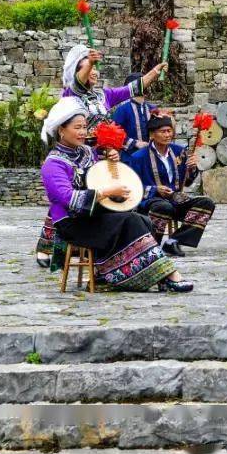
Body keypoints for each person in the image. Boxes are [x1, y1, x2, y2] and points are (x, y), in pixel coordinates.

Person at [39, 97, 192, 292]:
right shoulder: (53, 164)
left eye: (85, 127)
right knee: (130, 221)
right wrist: (108, 192)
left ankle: (107, 276)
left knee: (143, 220)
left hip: (95, 215)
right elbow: (69, 199)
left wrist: (110, 159)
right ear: (61, 130)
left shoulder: (87, 152)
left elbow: (96, 176)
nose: (83, 132)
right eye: (77, 127)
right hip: (73, 223)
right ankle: (168, 274)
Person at [36, 45, 165, 268]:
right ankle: (53, 247)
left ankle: (114, 247)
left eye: (95, 68)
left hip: (95, 152)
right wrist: (91, 62)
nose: (93, 72)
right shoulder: (72, 94)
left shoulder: (104, 95)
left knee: (92, 197)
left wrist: (154, 71)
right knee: (68, 197)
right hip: (73, 150)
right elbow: (79, 80)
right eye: (87, 67)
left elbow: (133, 88)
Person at [129, 115, 215, 257]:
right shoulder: (138, 157)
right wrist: (156, 189)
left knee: (206, 203)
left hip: (175, 199)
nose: (167, 135)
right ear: (152, 134)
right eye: (163, 131)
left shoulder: (179, 151)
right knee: (164, 206)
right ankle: (151, 246)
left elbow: (187, 182)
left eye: (169, 131)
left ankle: (174, 241)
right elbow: (132, 187)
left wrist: (192, 169)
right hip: (152, 203)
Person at [110, 73, 156, 164]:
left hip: (151, 156)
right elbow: (113, 133)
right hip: (129, 157)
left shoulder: (152, 109)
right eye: (144, 83)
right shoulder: (122, 110)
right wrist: (135, 143)